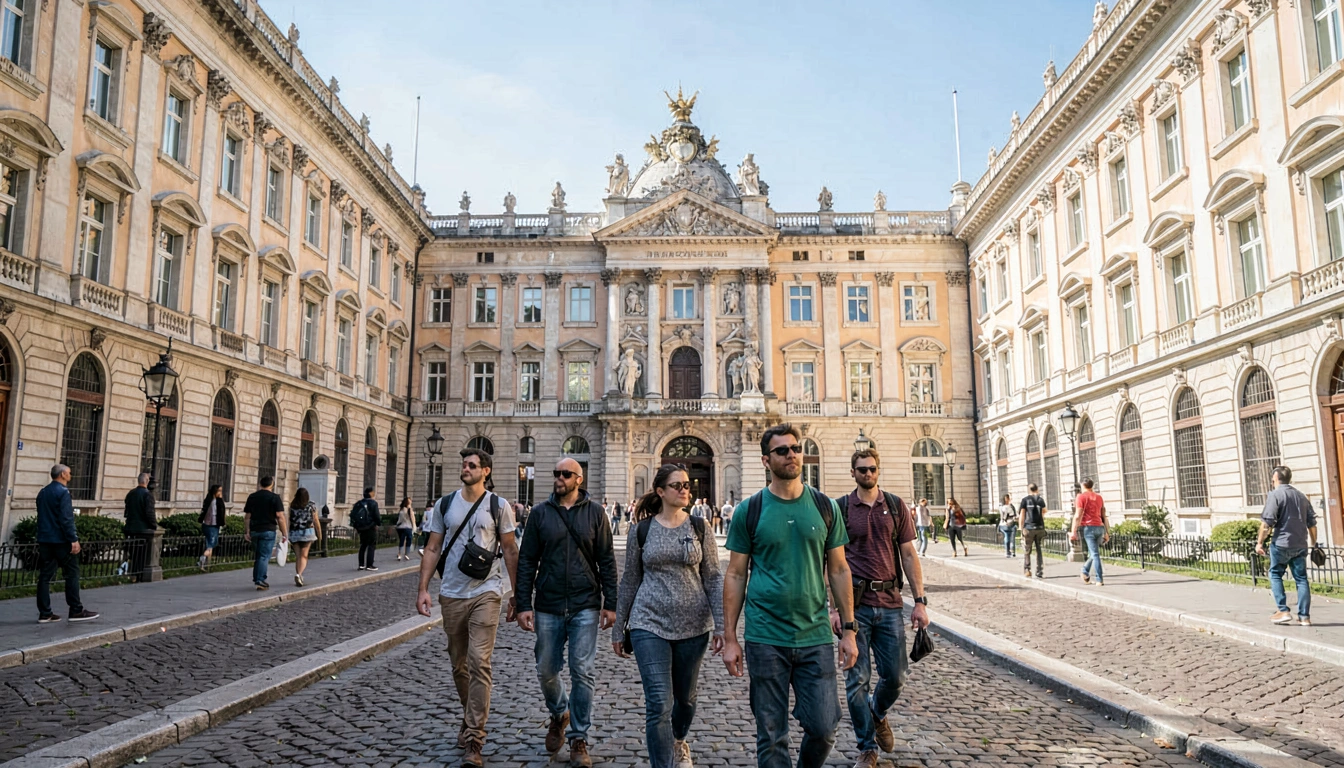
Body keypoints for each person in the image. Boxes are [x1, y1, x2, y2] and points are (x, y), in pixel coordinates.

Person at [722, 424, 857, 768]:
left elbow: (839, 570)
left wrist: (849, 631)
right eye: (782, 450)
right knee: (771, 735)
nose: (792, 455)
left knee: (824, 727)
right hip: (765, 636)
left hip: (815, 635)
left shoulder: (825, 506)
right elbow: (736, 574)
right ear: (766, 460)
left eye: (796, 448)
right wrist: (730, 637)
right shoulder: (749, 510)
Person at [613, 465, 724, 768]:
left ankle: (678, 740)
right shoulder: (641, 530)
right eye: (677, 485)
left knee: (685, 699)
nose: (684, 490)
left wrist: (722, 627)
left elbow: (714, 578)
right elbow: (630, 580)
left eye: (687, 485)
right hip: (648, 623)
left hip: (694, 626)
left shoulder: (700, 527)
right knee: (659, 703)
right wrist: (619, 627)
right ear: (661, 491)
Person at [417, 448, 520, 767]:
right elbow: (433, 547)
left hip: (486, 591)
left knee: (479, 662)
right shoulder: (445, 504)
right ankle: (469, 714)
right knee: (459, 664)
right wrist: (423, 589)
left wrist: (517, 594)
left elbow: (510, 550)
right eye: (464, 464)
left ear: (485, 471)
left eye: (472, 465)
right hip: (451, 592)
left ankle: (475, 737)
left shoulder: (499, 506)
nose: (466, 468)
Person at [514, 458, 618, 767]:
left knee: (582, 670)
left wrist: (611, 603)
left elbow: (607, 560)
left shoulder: (596, 513)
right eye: (556, 473)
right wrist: (523, 604)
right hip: (548, 603)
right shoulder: (540, 514)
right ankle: (560, 712)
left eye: (565, 474)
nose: (559, 478)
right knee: (546, 669)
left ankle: (578, 738)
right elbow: (527, 561)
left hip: (585, 603)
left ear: (578, 479)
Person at [833, 449, 929, 768]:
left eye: (872, 469)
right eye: (862, 469)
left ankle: (877, 713)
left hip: (889, 604)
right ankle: (866, 747)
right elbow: (832, 563)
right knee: (857, 680)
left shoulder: (895, 505)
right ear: (853, 473)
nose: (868, 474)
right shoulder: (841, 508)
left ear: (878, 470)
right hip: (855, 607)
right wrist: (834, 608)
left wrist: (920, 601)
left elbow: (909, 555)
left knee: (896, 676)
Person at [1256, 466, 1318, 627]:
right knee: (1301, 579)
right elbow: (1312, 524)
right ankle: (1304, 617)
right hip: (1300, 544)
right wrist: (1314, 544)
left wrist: (1260, 542)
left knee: (1275, 574)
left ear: (1275, 479)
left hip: (1281, 543)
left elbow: (1266, 523)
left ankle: (1283, 610)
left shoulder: (1275, 495)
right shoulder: (1301, 496)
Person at [36, 464, 99, 623]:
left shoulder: (43, 492)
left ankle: (45, 613)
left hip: (45, 539)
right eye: (69, 472)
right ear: (62, 474)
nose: (71, 475)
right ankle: (76, 610)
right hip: (61, 541)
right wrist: (73, 539)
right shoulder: (63, 492)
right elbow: (66, 519)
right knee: (72, 574)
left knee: (45, 577)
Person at [243, 476, 287, 590]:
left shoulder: (252, 497)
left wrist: (247, 531)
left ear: (260, 484)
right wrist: (284, 532)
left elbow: (247, 516)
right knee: (264, 556)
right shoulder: (275, 497)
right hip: (268, 529)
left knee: (258, 556)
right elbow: (280, 516)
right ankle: (260, 580)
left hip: (255, 530)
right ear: (272, 485)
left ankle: (257, 578)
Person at [1070, 478, 1109, 586]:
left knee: (1095, 554)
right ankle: (1084, 571)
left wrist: (1073, 531)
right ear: (1092, 486)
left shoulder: (1081, 497)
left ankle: (1099, 579)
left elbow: (1077, 515)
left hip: (1088, 528)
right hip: (1100, 527)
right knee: (1093, 553)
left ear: (1082, 485)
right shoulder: (1099, 497)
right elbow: (1103, 516)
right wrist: (1107, 532)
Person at [123, 472, 157, 582]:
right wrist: (154, 525)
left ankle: (132, 574)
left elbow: (126, 512)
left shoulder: (130, 493)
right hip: (143, 530)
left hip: (130, 528)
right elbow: (149, 513)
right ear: (147, 481)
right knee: (141, 555)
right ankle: (138, 575)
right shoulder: (148, 495)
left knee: (133, 553)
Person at [288, 488, 321, 586]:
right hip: (307, 532)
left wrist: (286, 534)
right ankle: (299, 574)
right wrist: (319, 533)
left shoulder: (292, 506)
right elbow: (316, 520)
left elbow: (289, 520)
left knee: (298, 556)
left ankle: (299, 575)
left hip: (294, 533)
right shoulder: (311, 506)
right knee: (304, 555)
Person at [1019, 484, 1048, 578]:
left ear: (1028, 490)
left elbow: (1022, 514)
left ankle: (1027, 569)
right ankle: (1039, 571)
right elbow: (1044, 511)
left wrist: (1021, 527)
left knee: (1027, 549)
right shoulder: (1040, 500)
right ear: (1037, 489)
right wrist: (1040, 517)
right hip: (1039, 527)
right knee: (1039, 549)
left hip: (1028, 527)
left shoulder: (1025, 500)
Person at [350, 487, 381, 571]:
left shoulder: (359, 503)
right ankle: (369, 565)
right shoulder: (373, 503)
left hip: (361, 527)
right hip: (371, 527)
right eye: (373, 492)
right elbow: (377, 516)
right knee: (371, 545)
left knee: (363, 545)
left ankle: (361, 564)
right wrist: (377, 523)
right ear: (371, 494)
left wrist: (357, 526)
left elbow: (352, 515)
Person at [198, 484, 225, 571]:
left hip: (206, 524)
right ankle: (202, 559)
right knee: (212, 544)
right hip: (212, 525)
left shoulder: (209, 500)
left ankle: (205, 564)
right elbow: (220, 512)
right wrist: (220, 499)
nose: (221, 493)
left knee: (209, 543)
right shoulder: (216, 502)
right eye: (219, 491)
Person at [997, 494, 1018, 558]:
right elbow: (1014, 515)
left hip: (1002, 524)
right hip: (1010, 523)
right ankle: (1012, 551)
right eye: (1010, 498)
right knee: (1012, 538)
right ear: (1007, 499)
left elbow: (1002, 516)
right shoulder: (1010, 507)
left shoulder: (1001, 507)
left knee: (1006, 537)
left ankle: (1007, 552)